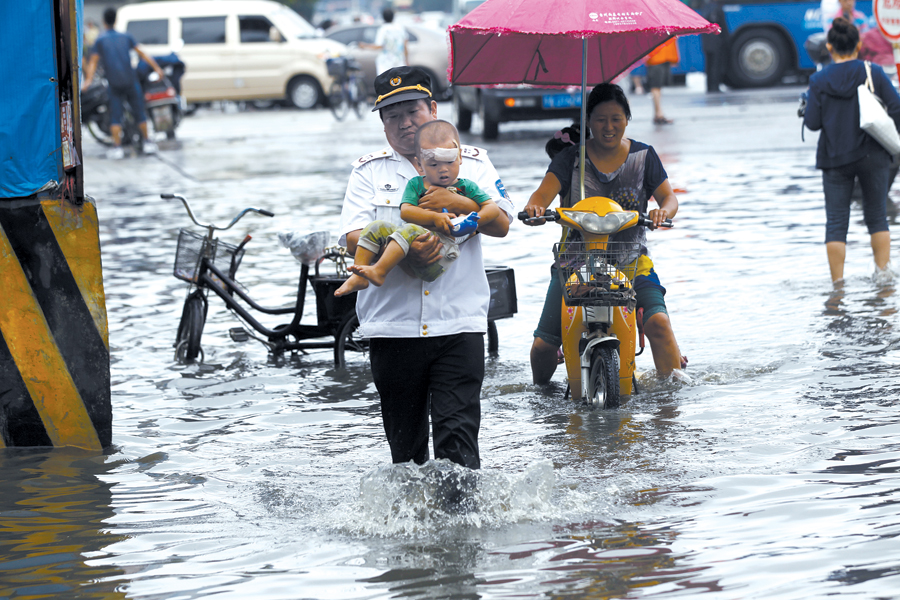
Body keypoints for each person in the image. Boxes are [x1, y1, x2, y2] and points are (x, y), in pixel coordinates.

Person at [339, 66, 514, 470]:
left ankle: (462, 530)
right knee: (406, 453)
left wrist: (460, 204)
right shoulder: (369, 171)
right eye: (392, 116)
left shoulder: (471, 163)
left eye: (412, 111)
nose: (404, 124)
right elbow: (351, 236)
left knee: (459, 446)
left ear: (433, 109)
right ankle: (415, 532)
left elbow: (503, 223)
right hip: (394, 327)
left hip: (459, 324)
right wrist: (407, 249)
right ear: (382, 123)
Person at [523, 83, 685, 382]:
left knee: (659, 323)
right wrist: (534, 209)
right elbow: (541, 195)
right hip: (574, 265)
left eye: (616, 118)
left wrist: (664, 211)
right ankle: (542, 394)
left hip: (632, 261)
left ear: (627, 119)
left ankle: (671, 401)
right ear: (588, 122)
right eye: (600, 119)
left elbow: (669, 198)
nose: (608, 127)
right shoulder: (570, 159)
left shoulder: (643, 156)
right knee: (543, 346)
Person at [335, 120, 501, 296]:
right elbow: (406, 211)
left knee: (409, 230)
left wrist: (471, 219)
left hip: (439, 254)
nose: (443, 170)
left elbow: (492, 209)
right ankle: (358, 274)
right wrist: (434, 218)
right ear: (420, 164)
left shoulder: (467, 187)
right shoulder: (416, 184)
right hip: (411, 244)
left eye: (449, 162)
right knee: (376, 227)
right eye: (434, 164)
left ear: (460, 157)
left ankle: (380, 271)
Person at [803, 18, 899, 283]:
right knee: (877, 216)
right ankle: (883, 278)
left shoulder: (818, 80)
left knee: (836, 222)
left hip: (834, 159)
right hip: (873, 155)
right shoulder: (873, 72)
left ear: (830, 47)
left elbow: (811, 124)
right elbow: (897, 107)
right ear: (858, 45)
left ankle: (838, 286)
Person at [82, 7, 164, 159]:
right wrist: (157, 69)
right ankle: (147, 142)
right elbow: (142, 53)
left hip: (114, 83)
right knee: (139, 112)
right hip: (131, 80)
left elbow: (93, 62)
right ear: (116, 20)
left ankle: (117, 147)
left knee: (116, 115)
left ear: (104, 21)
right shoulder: (126, 36)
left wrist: (87, 81)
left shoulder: (100, 40)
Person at [362, 7, 409, 75]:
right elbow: (405, 47)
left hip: (385, 64)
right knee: (399, 84)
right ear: (393, 16)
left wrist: (364, 46)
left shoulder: (383, 29)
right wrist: (406, 61)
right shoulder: (400, 28)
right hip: (399, 62)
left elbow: (378, 46)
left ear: (383, 17)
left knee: (385, 84)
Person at [645, 38, 679, 124]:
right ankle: (659, 114)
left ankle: (658, 113)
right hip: (656, 57)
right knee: (656, 86)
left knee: (658, 87)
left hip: (663, 57)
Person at [700, 0, 729, 93]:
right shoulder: (718, 9)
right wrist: (727, 40)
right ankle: (715, 87)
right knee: (716, 65)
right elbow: (723, 27)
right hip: (716, 42)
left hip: (706, 42)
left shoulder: (705, 9)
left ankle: (709, 86)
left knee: (709, 65)